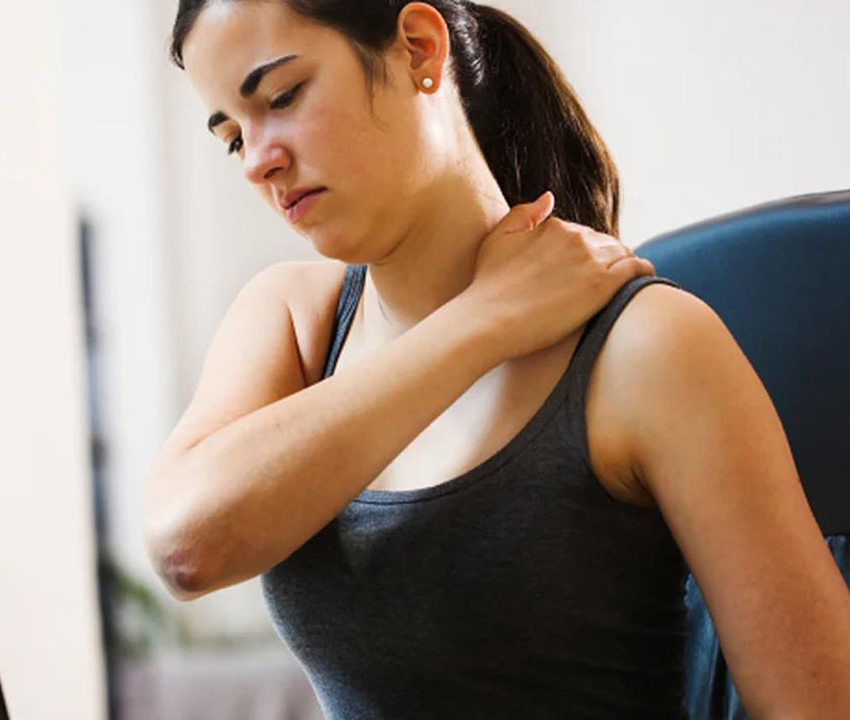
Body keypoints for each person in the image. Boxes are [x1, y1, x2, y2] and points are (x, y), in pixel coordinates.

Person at [142, 1, 850, 717]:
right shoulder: (295, 320)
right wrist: (481, 321)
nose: (258, 162)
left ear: (419, 49)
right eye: (233, 137)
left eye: (284, 96)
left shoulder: (649, 347)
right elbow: (187, 547)